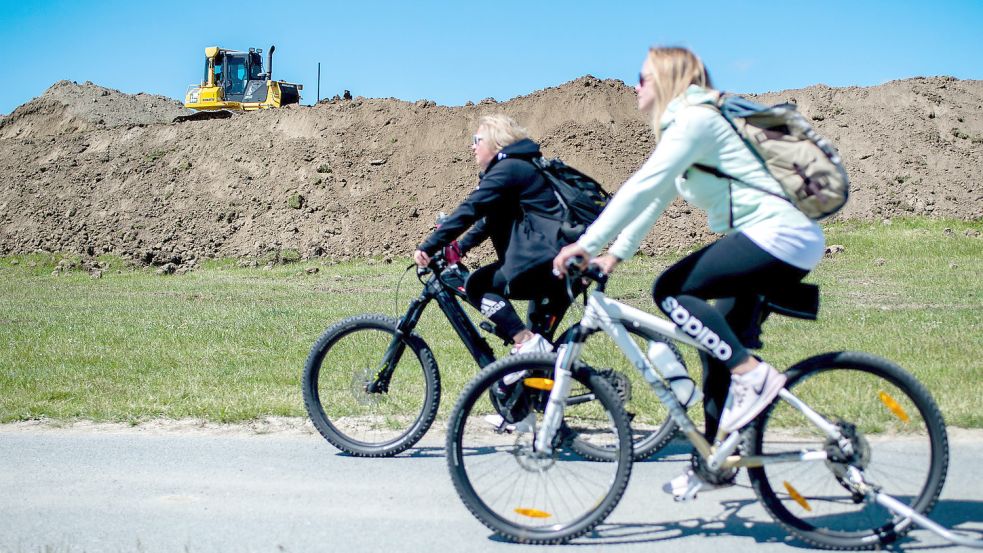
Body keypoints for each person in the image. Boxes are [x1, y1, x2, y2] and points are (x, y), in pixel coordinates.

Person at [553, 46, 825, 495]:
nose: (636, 86)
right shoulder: (687, 128)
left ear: (667, 79)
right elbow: (656, 198)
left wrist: (584, 245)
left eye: (642, 77)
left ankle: (755, 377)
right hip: (775, 236)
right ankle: (715, 462)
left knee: (671, 290)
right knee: (714, 347)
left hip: (778, 233)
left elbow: (639, 187)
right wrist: (612, 257)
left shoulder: (696, 121)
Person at [414, 114, 572, 355]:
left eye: (477, 139)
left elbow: (471, 209)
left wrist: (429, 246)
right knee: (537, 358)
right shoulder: (521, 166)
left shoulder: (508, 169)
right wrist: (458, 248)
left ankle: (527, 343)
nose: (472, 145)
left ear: (495, 141)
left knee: (477, 285)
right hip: (555, 262)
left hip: (545, 262)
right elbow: (490, 220)